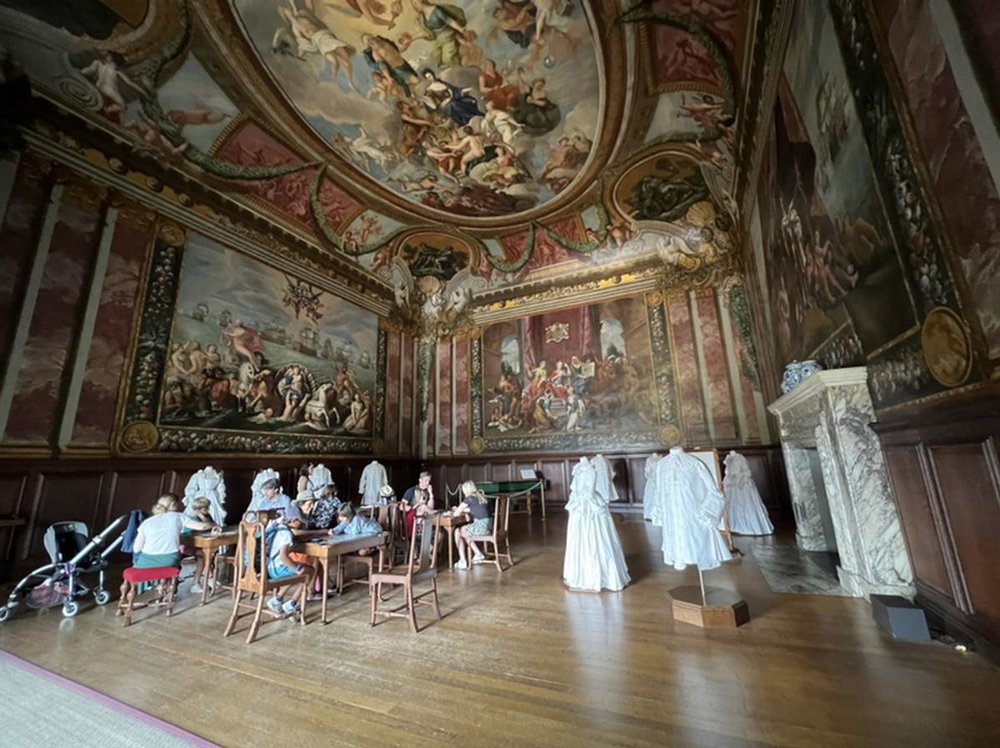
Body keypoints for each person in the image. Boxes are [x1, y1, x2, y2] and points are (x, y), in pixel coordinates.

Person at [562, 457, 630, 592]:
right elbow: (575, 487)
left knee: (596, 535)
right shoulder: (577, 469)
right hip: (578, 503)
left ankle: (600, 575)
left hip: (589, 503)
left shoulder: (591, 470)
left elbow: (589, 490)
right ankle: (579, 572)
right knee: (578, 537)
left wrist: (583, 498)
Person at [133, 494, 215, 570]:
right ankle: (165, 583)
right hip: (169, 559)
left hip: (146, 561)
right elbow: (203, 526)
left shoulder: (147, 522)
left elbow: (137, 549)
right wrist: (214, 525)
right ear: (173, 505)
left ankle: (151, 584)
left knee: (138, 561)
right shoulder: (178, 516)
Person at [263, 514, 314, 619]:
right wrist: (298, 569)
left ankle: (277, 599)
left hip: (269, 567)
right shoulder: (286, 533)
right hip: (278, 569)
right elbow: (283, 557)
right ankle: (292, 603)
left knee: (297, 572)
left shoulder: (277, 528)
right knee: (309, 570)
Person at [182, 497, 221, 593]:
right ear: (197, 510)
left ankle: (209, 577)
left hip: (202, 544)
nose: (207, 510)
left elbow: (215, 525)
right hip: (189, 544)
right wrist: (203, 518)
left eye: (208, 508)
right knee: (203, 555)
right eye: (205, 509)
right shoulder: (193, 518)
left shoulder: (207, 516)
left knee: (210, 553)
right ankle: (196, 582)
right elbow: (202, 528)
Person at [452, 481, 492, 570]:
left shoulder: (469, 498)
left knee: (458, 531)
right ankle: (478, 554)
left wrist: (457, 509)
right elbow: (472, 509)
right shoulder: (480, 497)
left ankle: (463, 561)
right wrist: (464, 510)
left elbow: (456, 514)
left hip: (481, 528)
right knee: (465, 530)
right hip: (488, 526)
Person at [401, 472, 434, 538]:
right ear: (420, 480)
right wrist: (417, 506)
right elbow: (401, 507)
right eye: (425, 481)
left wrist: (431, 494)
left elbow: (431, 508)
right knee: (423, 507)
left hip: (426, 516)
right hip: (414, 516)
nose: (427, 483)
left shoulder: (427, 491)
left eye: (429, 481)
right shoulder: (411, 491)